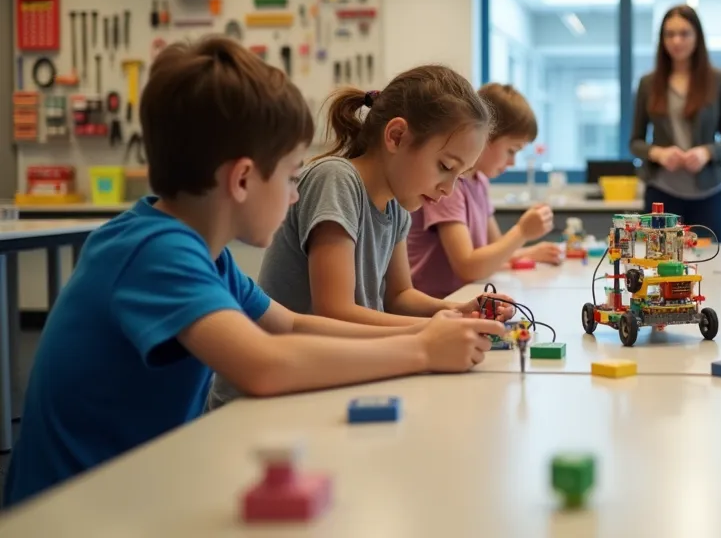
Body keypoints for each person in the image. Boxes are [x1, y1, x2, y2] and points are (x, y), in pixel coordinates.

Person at [2, 38, 504, 507]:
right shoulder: (153, 250)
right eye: (289, 176)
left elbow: (290, 323)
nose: (294, 194)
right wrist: (420, 348)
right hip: (72, 509)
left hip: (138, 486)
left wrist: (435, 330)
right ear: (243, 179)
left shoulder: (206, 255)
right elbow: (263, 364)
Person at [207, 64, 515, 410]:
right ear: (396, 136)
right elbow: (334, 310)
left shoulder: (398, 206)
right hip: (272, 391)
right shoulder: (336, 181)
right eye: (445, 167)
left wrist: (455, 313)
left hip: (328, 373)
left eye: (460, 176)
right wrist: (427, 336)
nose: (448, 189)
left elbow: (400, 295)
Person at [409, 82, 561, 298]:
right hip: (435, 304)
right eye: (511, 150)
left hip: (461, 298)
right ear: (485, 136)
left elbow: (495, 250)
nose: (511, 162)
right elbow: (468, 268)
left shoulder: (478, 182)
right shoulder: (450, 185)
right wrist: (522, 232)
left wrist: (530, 252)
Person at [630, 4, 721, 242]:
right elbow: (635, 142)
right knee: (659, 264)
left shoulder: (718, 81)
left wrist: (706, 152)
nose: (677, 41)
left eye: (684, 33)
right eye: (670, 34)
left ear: (697, 37)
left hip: (708, 193)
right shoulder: (648, 84)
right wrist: (658, 153)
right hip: (662, 192)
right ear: (662, 39)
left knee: (708, 265)